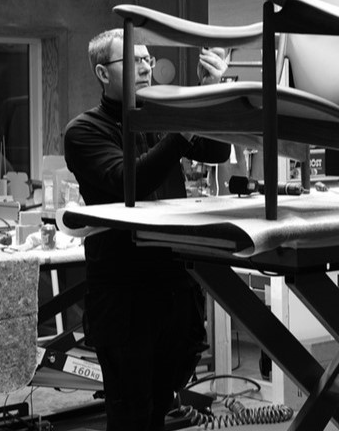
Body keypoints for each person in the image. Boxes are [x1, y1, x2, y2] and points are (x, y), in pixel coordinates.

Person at [64, 28, 231, 431]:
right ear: (103, 73)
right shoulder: (84, 131)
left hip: (174, 285)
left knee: (160, 406)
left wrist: (211, 93)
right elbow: (132, 180)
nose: (144, 67)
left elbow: (217, 149)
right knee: (131, 413)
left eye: (147, 59)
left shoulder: (161, 115)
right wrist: (185, 120)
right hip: (125, 294)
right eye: (133, 60)